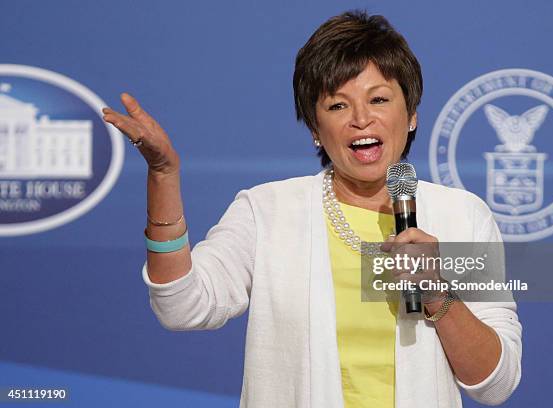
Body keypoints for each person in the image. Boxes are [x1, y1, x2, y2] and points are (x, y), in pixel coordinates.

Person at [102, 10, 521, 408]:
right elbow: (181, 306)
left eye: (379, 99)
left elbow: (496, 382)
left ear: (411, 115)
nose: (361, 119)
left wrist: (436, 292)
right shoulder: (267, 211)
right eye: (338, 105)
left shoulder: (461, 215)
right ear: (315, 130)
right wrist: (163, 176)